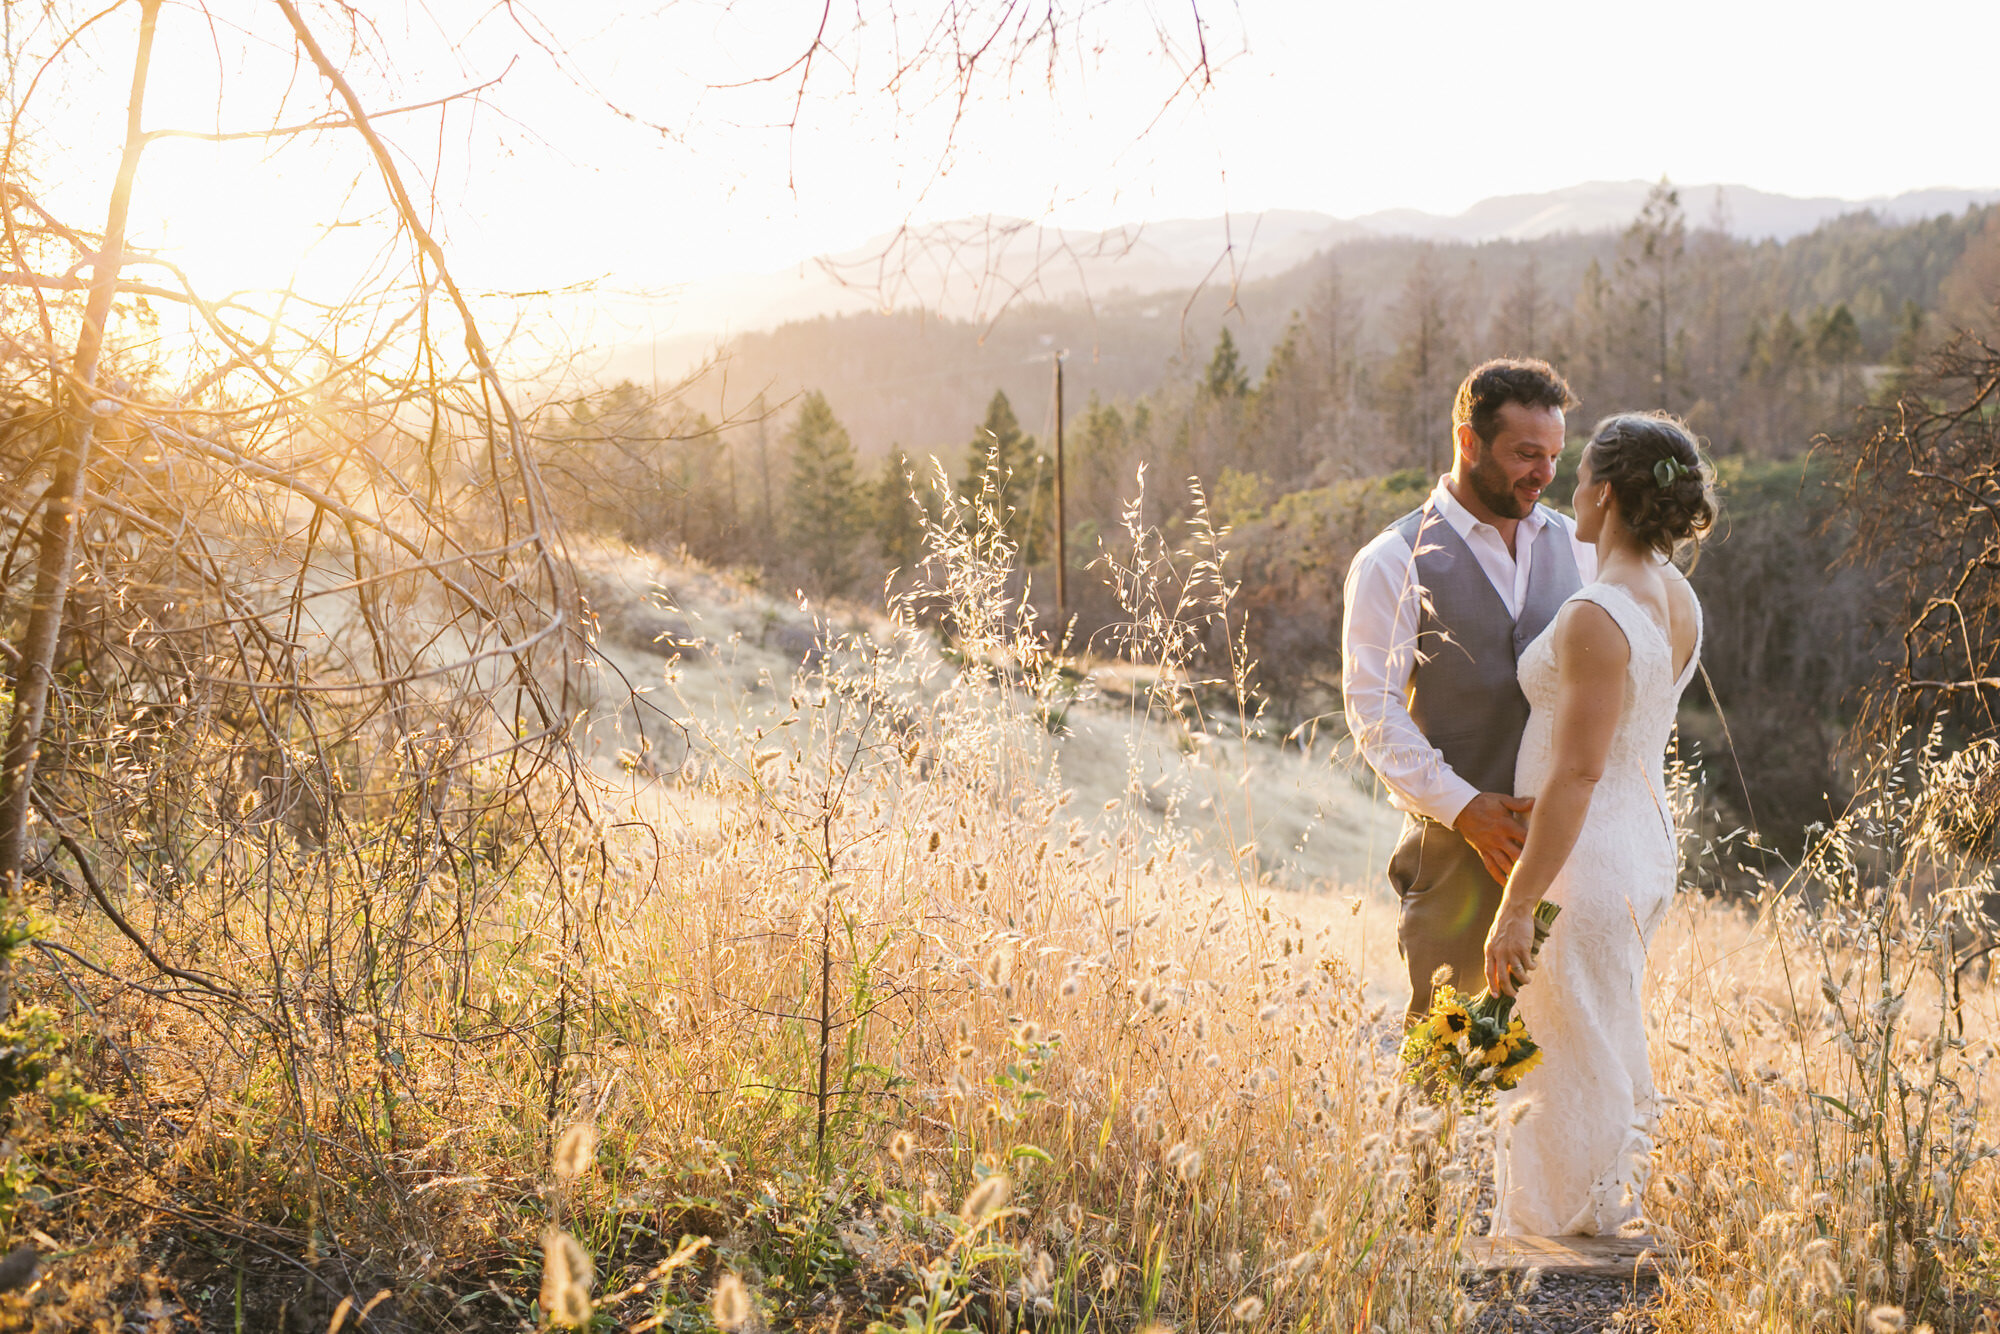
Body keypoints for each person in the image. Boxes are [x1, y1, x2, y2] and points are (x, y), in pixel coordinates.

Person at [1481, 411, 1714, 1237]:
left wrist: (1516, 905)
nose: (1567, 491)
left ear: (1605, 493)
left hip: (1588, 860)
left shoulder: (1594, 613)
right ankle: (1600, 1211)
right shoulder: (1676, 597)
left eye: (1578, 475)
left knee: (1559, 1048)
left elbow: (1576, 774)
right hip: (1643, 847)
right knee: (1599, 1031)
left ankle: (1552, 1229)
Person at [1341, 358, 1595, 1024]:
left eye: (1553, 457)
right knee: (1451, 1076)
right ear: (1468, 442)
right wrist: (1466, 809)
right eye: (1524, 454)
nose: (1543, 473)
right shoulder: (1392, 559)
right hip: (1455, 863)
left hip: (1571, 861)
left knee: (1552, 1066)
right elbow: (1372, 714)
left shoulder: (1579, 545)